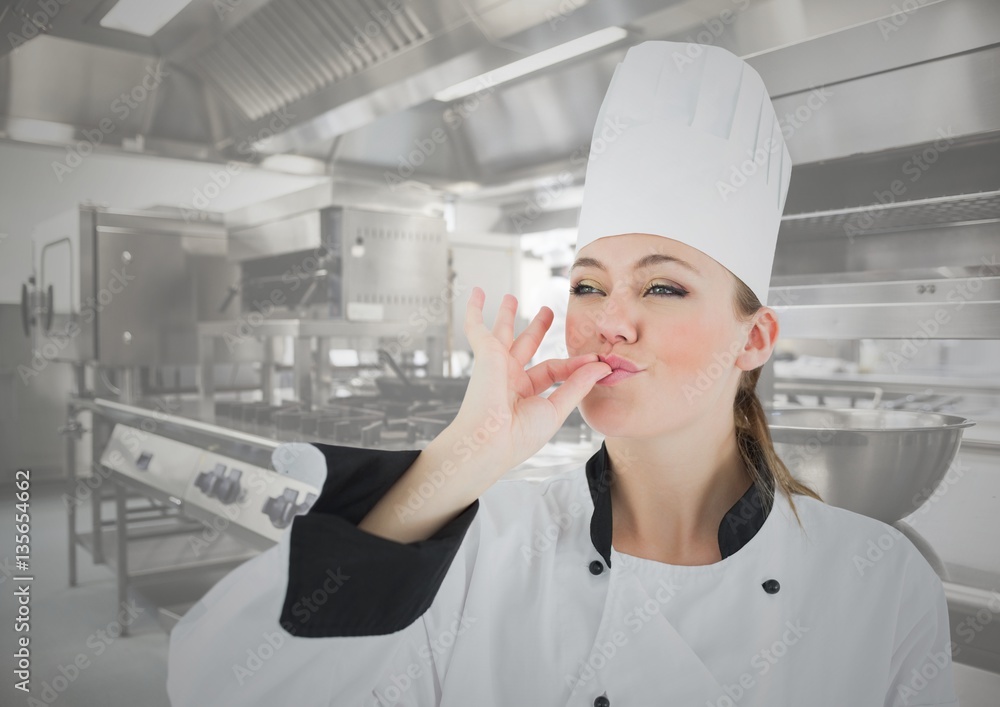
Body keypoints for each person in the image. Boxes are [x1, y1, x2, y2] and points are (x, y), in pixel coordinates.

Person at [167, 41, 959, 706]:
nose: (610, 318)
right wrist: (457, 459)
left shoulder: (878, 583)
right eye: (587, 284)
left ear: (755, 338)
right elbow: (214, 680)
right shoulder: (478, 553)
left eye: (662, 285)